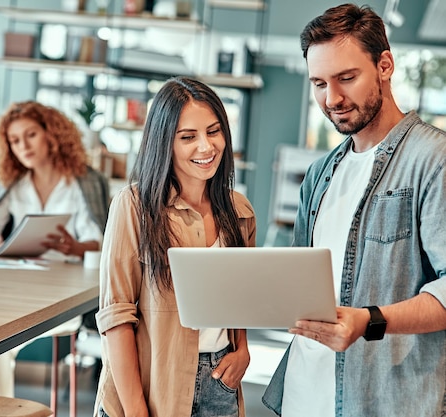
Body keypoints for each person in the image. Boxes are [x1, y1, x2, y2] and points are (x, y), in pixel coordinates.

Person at [262, 4, 446, 417]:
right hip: (302, 398)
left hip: (383, 401)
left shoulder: (435, 160)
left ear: (385, 65)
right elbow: (297, 282)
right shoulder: (320, 174)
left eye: (346, 78)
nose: (333, 99)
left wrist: (369, 320)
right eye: (319, 83)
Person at [94, 76, 256, 417]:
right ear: (164, 142)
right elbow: (116, 318)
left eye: (214, 131)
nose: (206, 147)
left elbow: (240, 298)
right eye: (188, 137)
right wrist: (138, 412)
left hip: (220, 381)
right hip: (152, 385)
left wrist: (242, 350)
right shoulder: (134, 206)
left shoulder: (239, 212)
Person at [0, 100, 110, 397]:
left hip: (66, 293)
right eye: (14, 141)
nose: (23, 146)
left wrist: (75, 247)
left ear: (51, 134)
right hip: (17, 288)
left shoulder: (84, 182)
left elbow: (103, 242)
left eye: (30, 135)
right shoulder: (14, 183)